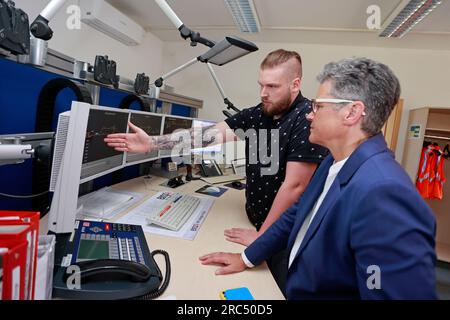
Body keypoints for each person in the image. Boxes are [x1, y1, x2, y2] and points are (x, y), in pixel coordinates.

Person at [199, 57, 437, 299]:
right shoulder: (334, 162)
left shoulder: (384, 192)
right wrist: (247, 258)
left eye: (318, 106)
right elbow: (297, 214)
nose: (310, 116)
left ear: (351, 112)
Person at [105, 49, 328, 294]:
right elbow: (206, 136)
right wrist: (153, 144)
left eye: (272, 86)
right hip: (254, 222)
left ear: (295, 84)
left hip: (281, 237)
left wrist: (262, 238)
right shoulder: (259, 113)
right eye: (261, 85)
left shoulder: (305, 119)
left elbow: (295, 187)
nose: (264, 93)